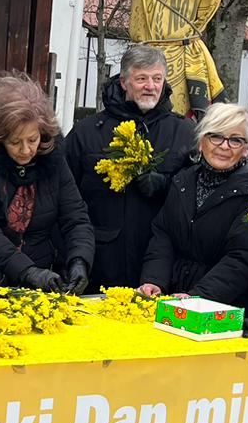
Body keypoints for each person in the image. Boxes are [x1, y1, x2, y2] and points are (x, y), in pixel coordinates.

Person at [66, 45, 197, 289]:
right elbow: (64, 196)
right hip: (101, 263)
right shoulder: (87, 132)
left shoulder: (184, 132)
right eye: (141, 79)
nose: (151, 86)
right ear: (124, 82)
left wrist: (166, 184)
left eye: (157, 79)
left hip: (161, 267)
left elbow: (198, 193)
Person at [0, 73, 93, 294]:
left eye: (32, 140)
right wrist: (27, 271)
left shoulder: (55, 162)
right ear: (0, 138)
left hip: (43, 276)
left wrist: (80, 260)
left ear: (43, 134)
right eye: (15, 142)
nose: (26, 150)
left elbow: (76, 218)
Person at [137, 103, 248, 318]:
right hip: (177, 300)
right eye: (216, 136)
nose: (224, 146)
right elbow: (163, 235)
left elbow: (245, 257)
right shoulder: (183, 180)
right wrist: (154, 280)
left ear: (246, 149)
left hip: (227, 308)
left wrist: (198, 297)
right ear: (202, 141)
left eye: (235, 140)